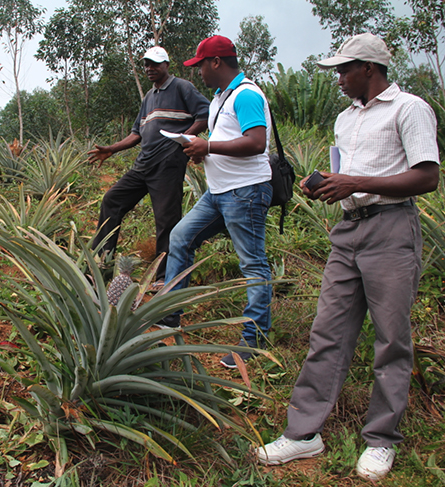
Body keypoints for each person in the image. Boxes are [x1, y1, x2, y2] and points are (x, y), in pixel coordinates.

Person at [256, 33, 440, 481]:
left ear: (369, 69)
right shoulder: (344, 118)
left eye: (344, 70)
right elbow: (350, 176)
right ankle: (303, 434)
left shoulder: (409, 109)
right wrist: (329, 186)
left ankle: (380, 440)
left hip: (392, 229)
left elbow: (427, 177)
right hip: (348, 230)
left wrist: (356, 181)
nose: (337, 78)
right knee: (328, 332)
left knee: (391, 338)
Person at [162, 35, 273, 369]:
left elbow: (256, 142)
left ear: (216, 62)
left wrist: (207, 147)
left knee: (252, 263)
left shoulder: (247, 94)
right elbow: (226, 141)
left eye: (200, 66)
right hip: (219, 191)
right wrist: (202, 150)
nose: (199, 74)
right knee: (180, 237)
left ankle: (253, 340)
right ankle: (168, 316)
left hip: (245, 191)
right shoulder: (220, 98)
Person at [88, 46, 210, 285]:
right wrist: (112, 149)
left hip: (168, 164)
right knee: (112, 200)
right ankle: (100, 265)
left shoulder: (182, 87)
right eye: (146, 65)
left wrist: (183, 138)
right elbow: (137, 134)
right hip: (143, 164)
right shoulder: (149, 97)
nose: (149, 69)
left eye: (155, 64)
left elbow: (205, 114)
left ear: (166, 64)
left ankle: (164, 277)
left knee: (166, 219)